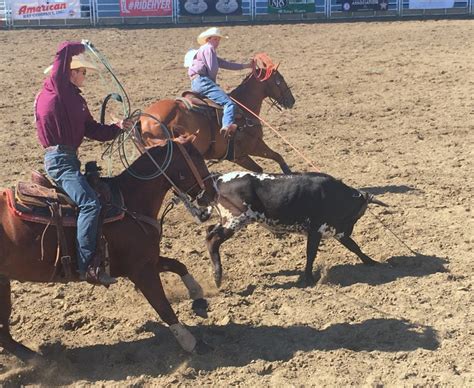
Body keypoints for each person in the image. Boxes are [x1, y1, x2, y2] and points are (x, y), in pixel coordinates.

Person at [35, 41, 133, 286]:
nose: (85, 76)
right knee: (89, 203)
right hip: (60, 160)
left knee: (90, 199)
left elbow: (92, 129)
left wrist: (118, 128)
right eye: (83, 72)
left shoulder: (74, 100)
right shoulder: (57, 89)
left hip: (67, 158)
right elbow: (61, 57)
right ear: (70, 72)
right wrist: (76, 46)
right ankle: (87, 265)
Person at [188, 27, 253, 138]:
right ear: (208, 39)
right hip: (204, 82)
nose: (217, 42)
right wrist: (213, 83)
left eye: (218, 40)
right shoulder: (209, 49)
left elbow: (226, 64)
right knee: (229, 103)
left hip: (196, 83)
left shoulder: (203, 50)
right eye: (215, 39)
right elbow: (212, 68)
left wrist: (246, 66)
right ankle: (226, 126)